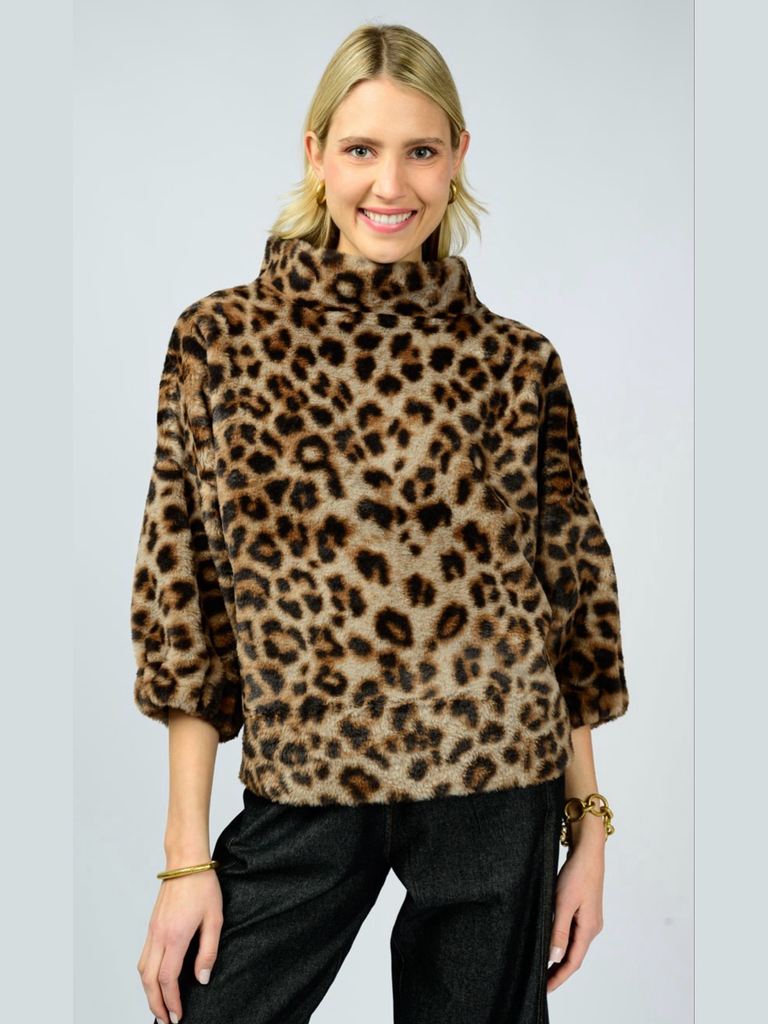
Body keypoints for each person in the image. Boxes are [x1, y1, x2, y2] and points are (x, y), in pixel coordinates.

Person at [131, 21, 629, 1024]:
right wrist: (186, 857)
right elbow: (185, 609)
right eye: (361, 148)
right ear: (315, 153)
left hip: (497, 784)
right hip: (306, 783)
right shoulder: (221, 344)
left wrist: (588, 830)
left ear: (458, 157)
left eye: (420, 150)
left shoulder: (517, 363)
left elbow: (569, 603)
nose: (390, 183)